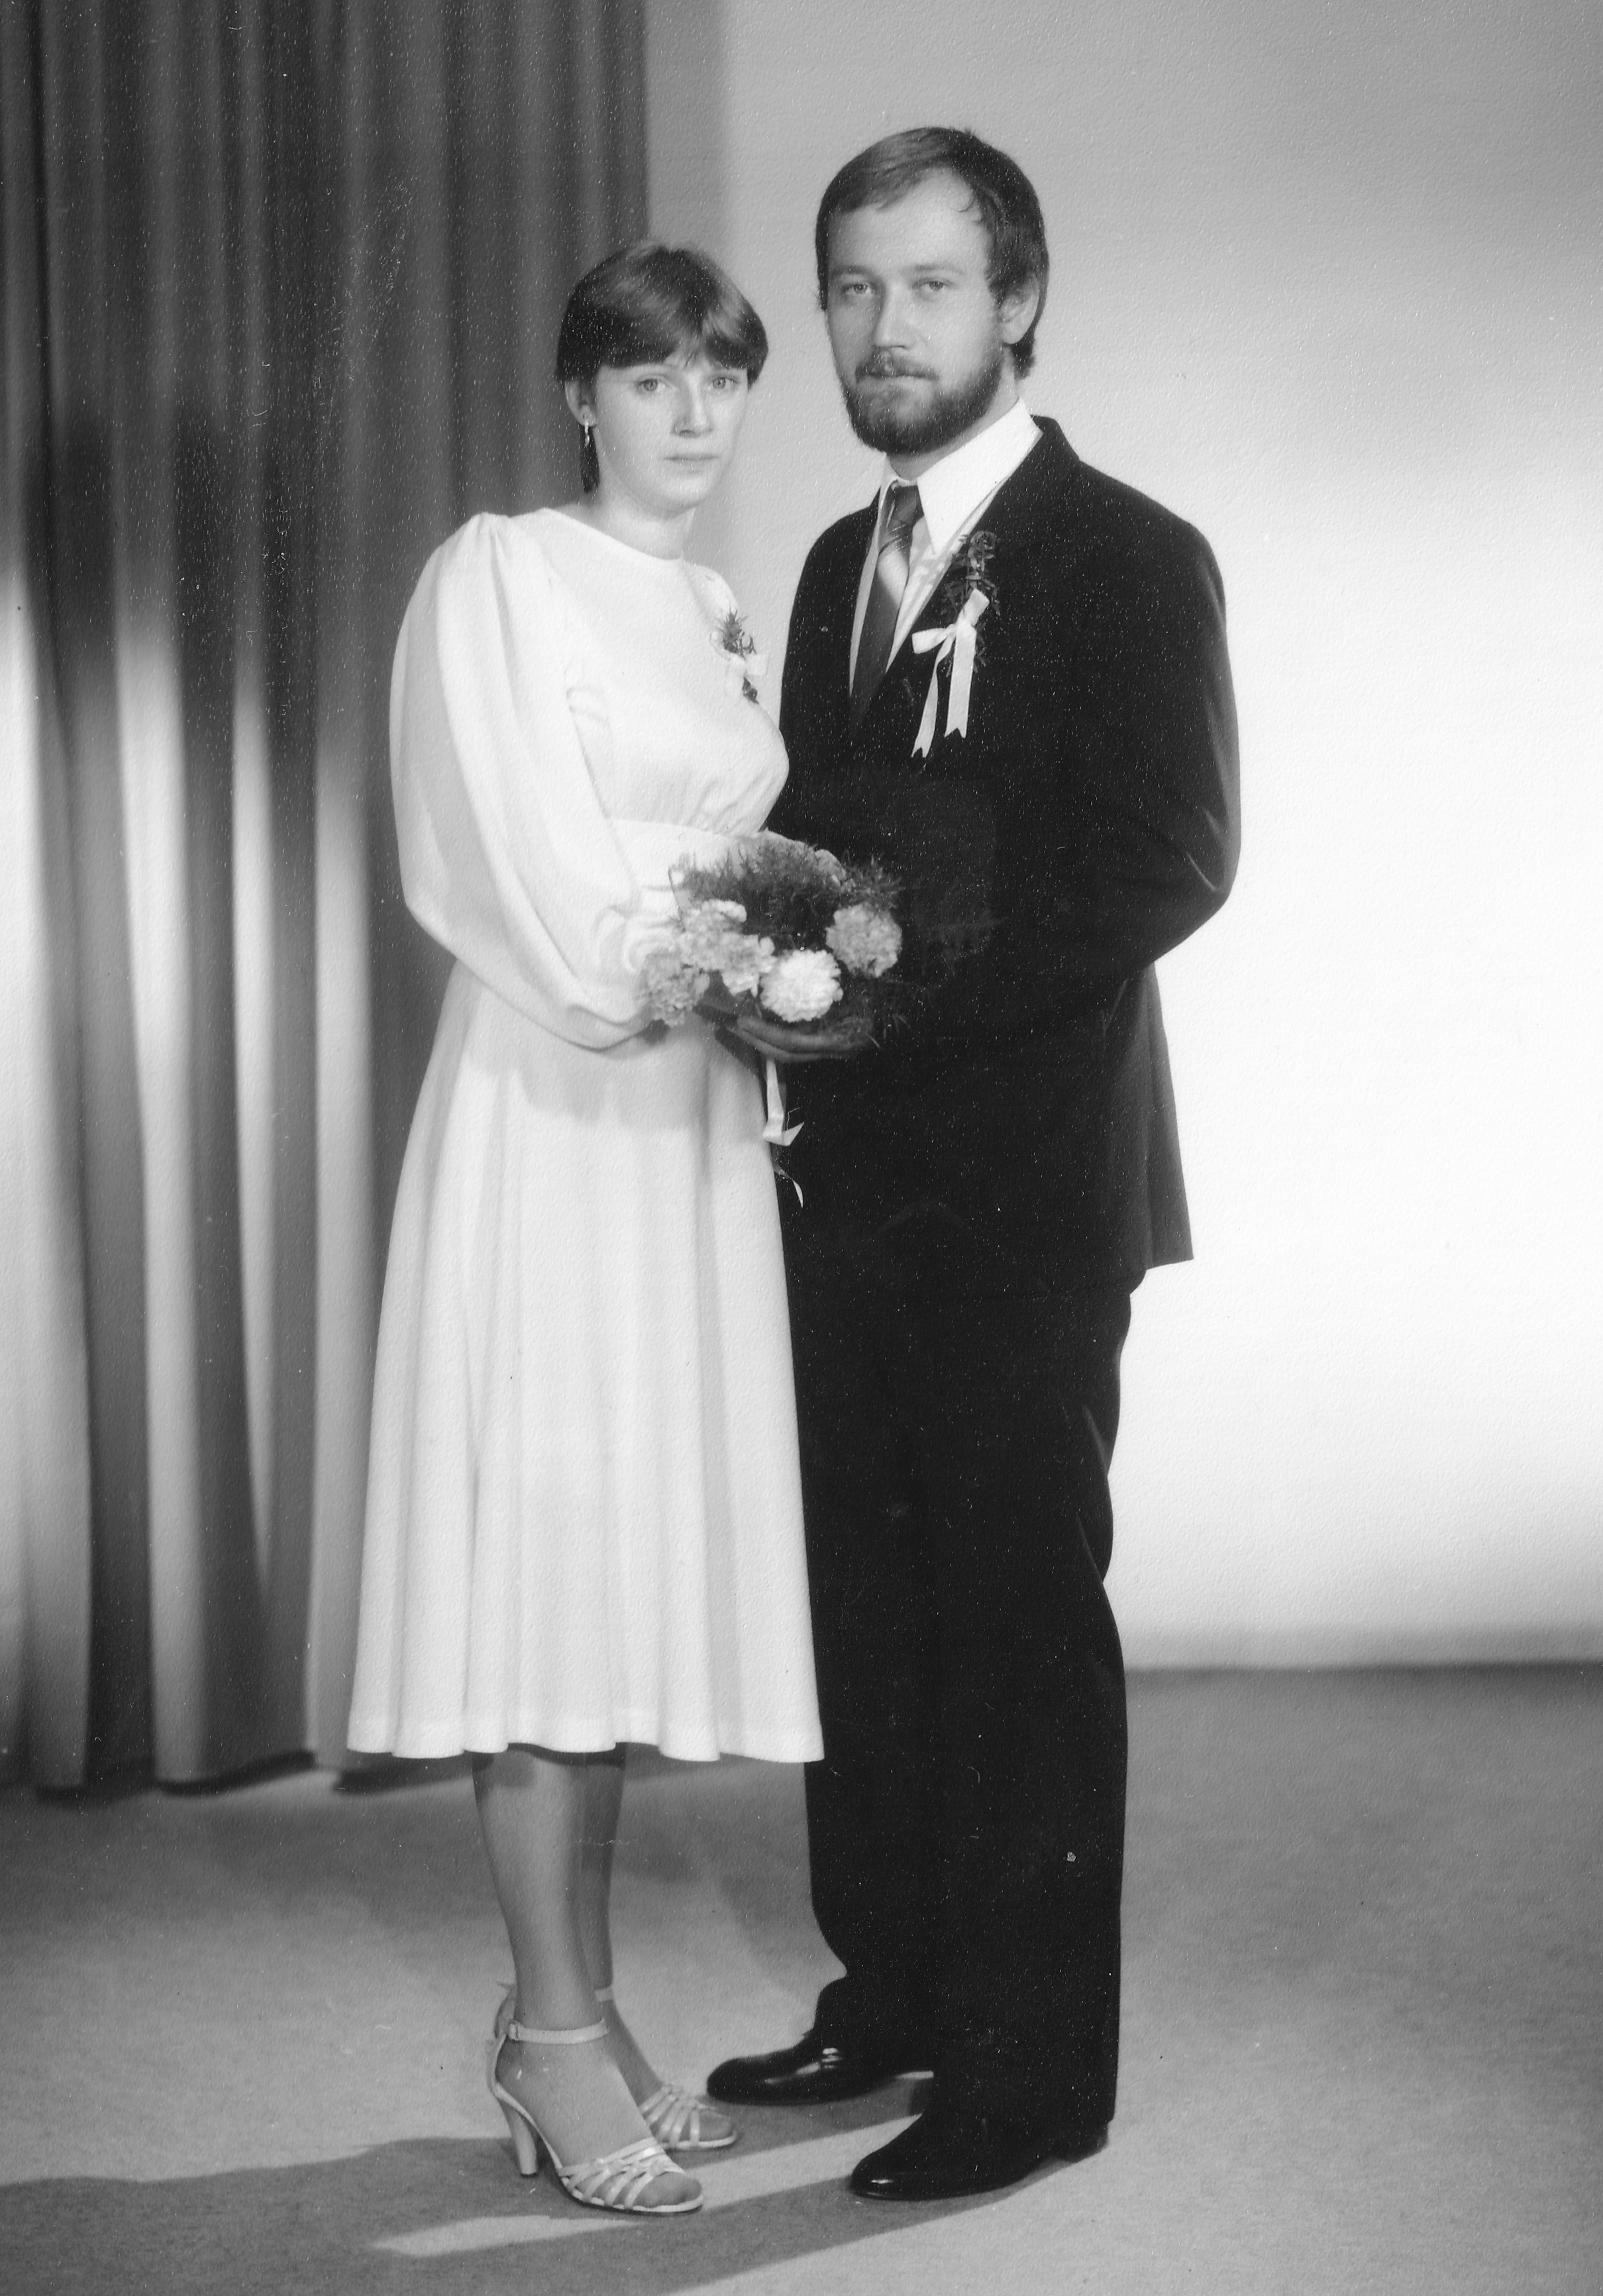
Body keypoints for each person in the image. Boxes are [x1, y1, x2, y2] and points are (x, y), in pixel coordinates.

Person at [708, 128, 1240, 2201]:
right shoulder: (833, 568)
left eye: (927, 284)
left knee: (1014, 1610)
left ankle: (1030, 2071)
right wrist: (757, 963)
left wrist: (894, 995)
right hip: (841, 1177)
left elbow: (1169, 859)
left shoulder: (1126, 553)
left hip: (1023, 1184)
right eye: (852, 286)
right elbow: (820, 847)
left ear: (1015, 301)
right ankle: (898, 1987)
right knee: (862, 1599)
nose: (883, 325)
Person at [346, 243, 823, 2221]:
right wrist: (691, 968)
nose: (695, 414)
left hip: (686, 1113)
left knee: (617, 1566)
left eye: (724, 376)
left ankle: (587, 2014)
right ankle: (547, 2032)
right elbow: (504, 850)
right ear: (580, 397)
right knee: (545, 1560)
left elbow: (741, 851)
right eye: (651, 377)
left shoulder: (711, 606)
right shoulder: (502, 571)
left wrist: (784, 967)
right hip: (562, 1092)